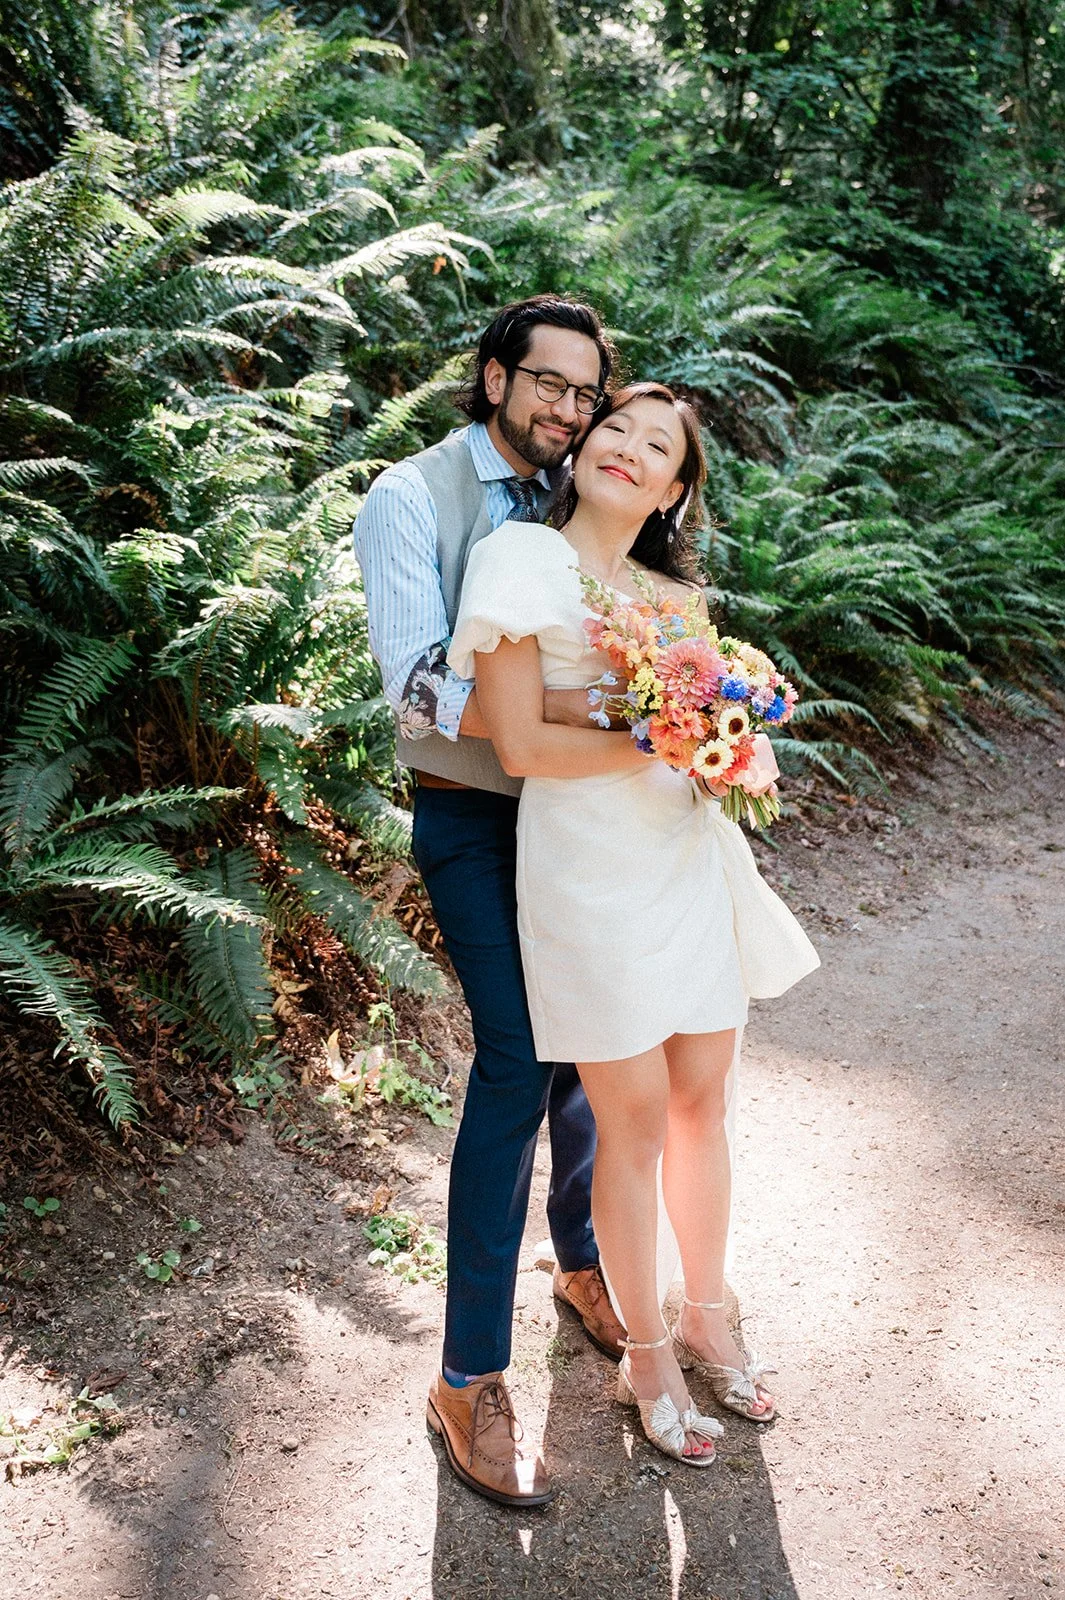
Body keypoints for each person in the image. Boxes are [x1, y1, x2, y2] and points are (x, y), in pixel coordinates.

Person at [447, 382, 820, 1469]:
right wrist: (663, 737)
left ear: (675, 487)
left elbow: (714, 741)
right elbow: (519, 746)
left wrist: (735, 749)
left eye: (658, 445)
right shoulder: (521, 560)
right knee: (636, 1117)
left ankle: (709, 1311)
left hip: (686, 856)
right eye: (617, 426)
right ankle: (645, 1350)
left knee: (707, 1098)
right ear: (586, 448)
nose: (629, 447)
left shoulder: (673, 594)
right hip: (588, 869)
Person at [352, 296, 629, 1509]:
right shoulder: (410, 499)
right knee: (517, 1060)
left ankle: (580, 1263)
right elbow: (418, 691)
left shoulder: (583, 499)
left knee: (585, 1047)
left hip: (579, 816)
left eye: (587, 391)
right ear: (494, 375)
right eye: (551, 384)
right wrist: (575, 717)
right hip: (469, 817)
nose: (571, 408)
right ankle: (467, 1373)